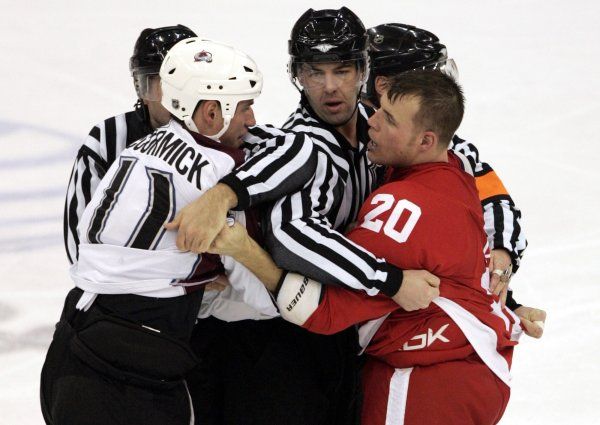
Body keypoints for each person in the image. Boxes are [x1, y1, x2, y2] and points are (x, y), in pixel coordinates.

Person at [208, 70, 522, 425]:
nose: (370, 122)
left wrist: (242, 250)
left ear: (425, 141)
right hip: (469, 370)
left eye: (388, 119)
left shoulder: (404, 209)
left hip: (426, 383)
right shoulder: (453, 172)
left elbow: (316, 310)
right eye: (377, 108)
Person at [40, 38, 267, 425]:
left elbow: (90, 246)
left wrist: (183, 278)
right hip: (127, 379)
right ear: (212, 111)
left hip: (68, 352)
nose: (253, 121)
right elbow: (262, 297)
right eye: (245, 106)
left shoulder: (137, 148)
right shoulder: (220, 178)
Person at [365, 23, 546, 337]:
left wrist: (500, 263)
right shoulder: (340, 139)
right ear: (383, 86)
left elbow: (493, 201)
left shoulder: (444, 148)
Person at [63, 25, 197, 265]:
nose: (177, 102)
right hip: (128, 290)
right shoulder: (107, 139)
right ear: (142, 88)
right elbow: (79, 237)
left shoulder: (229, 133)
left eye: (185, 86)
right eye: (165, 86)